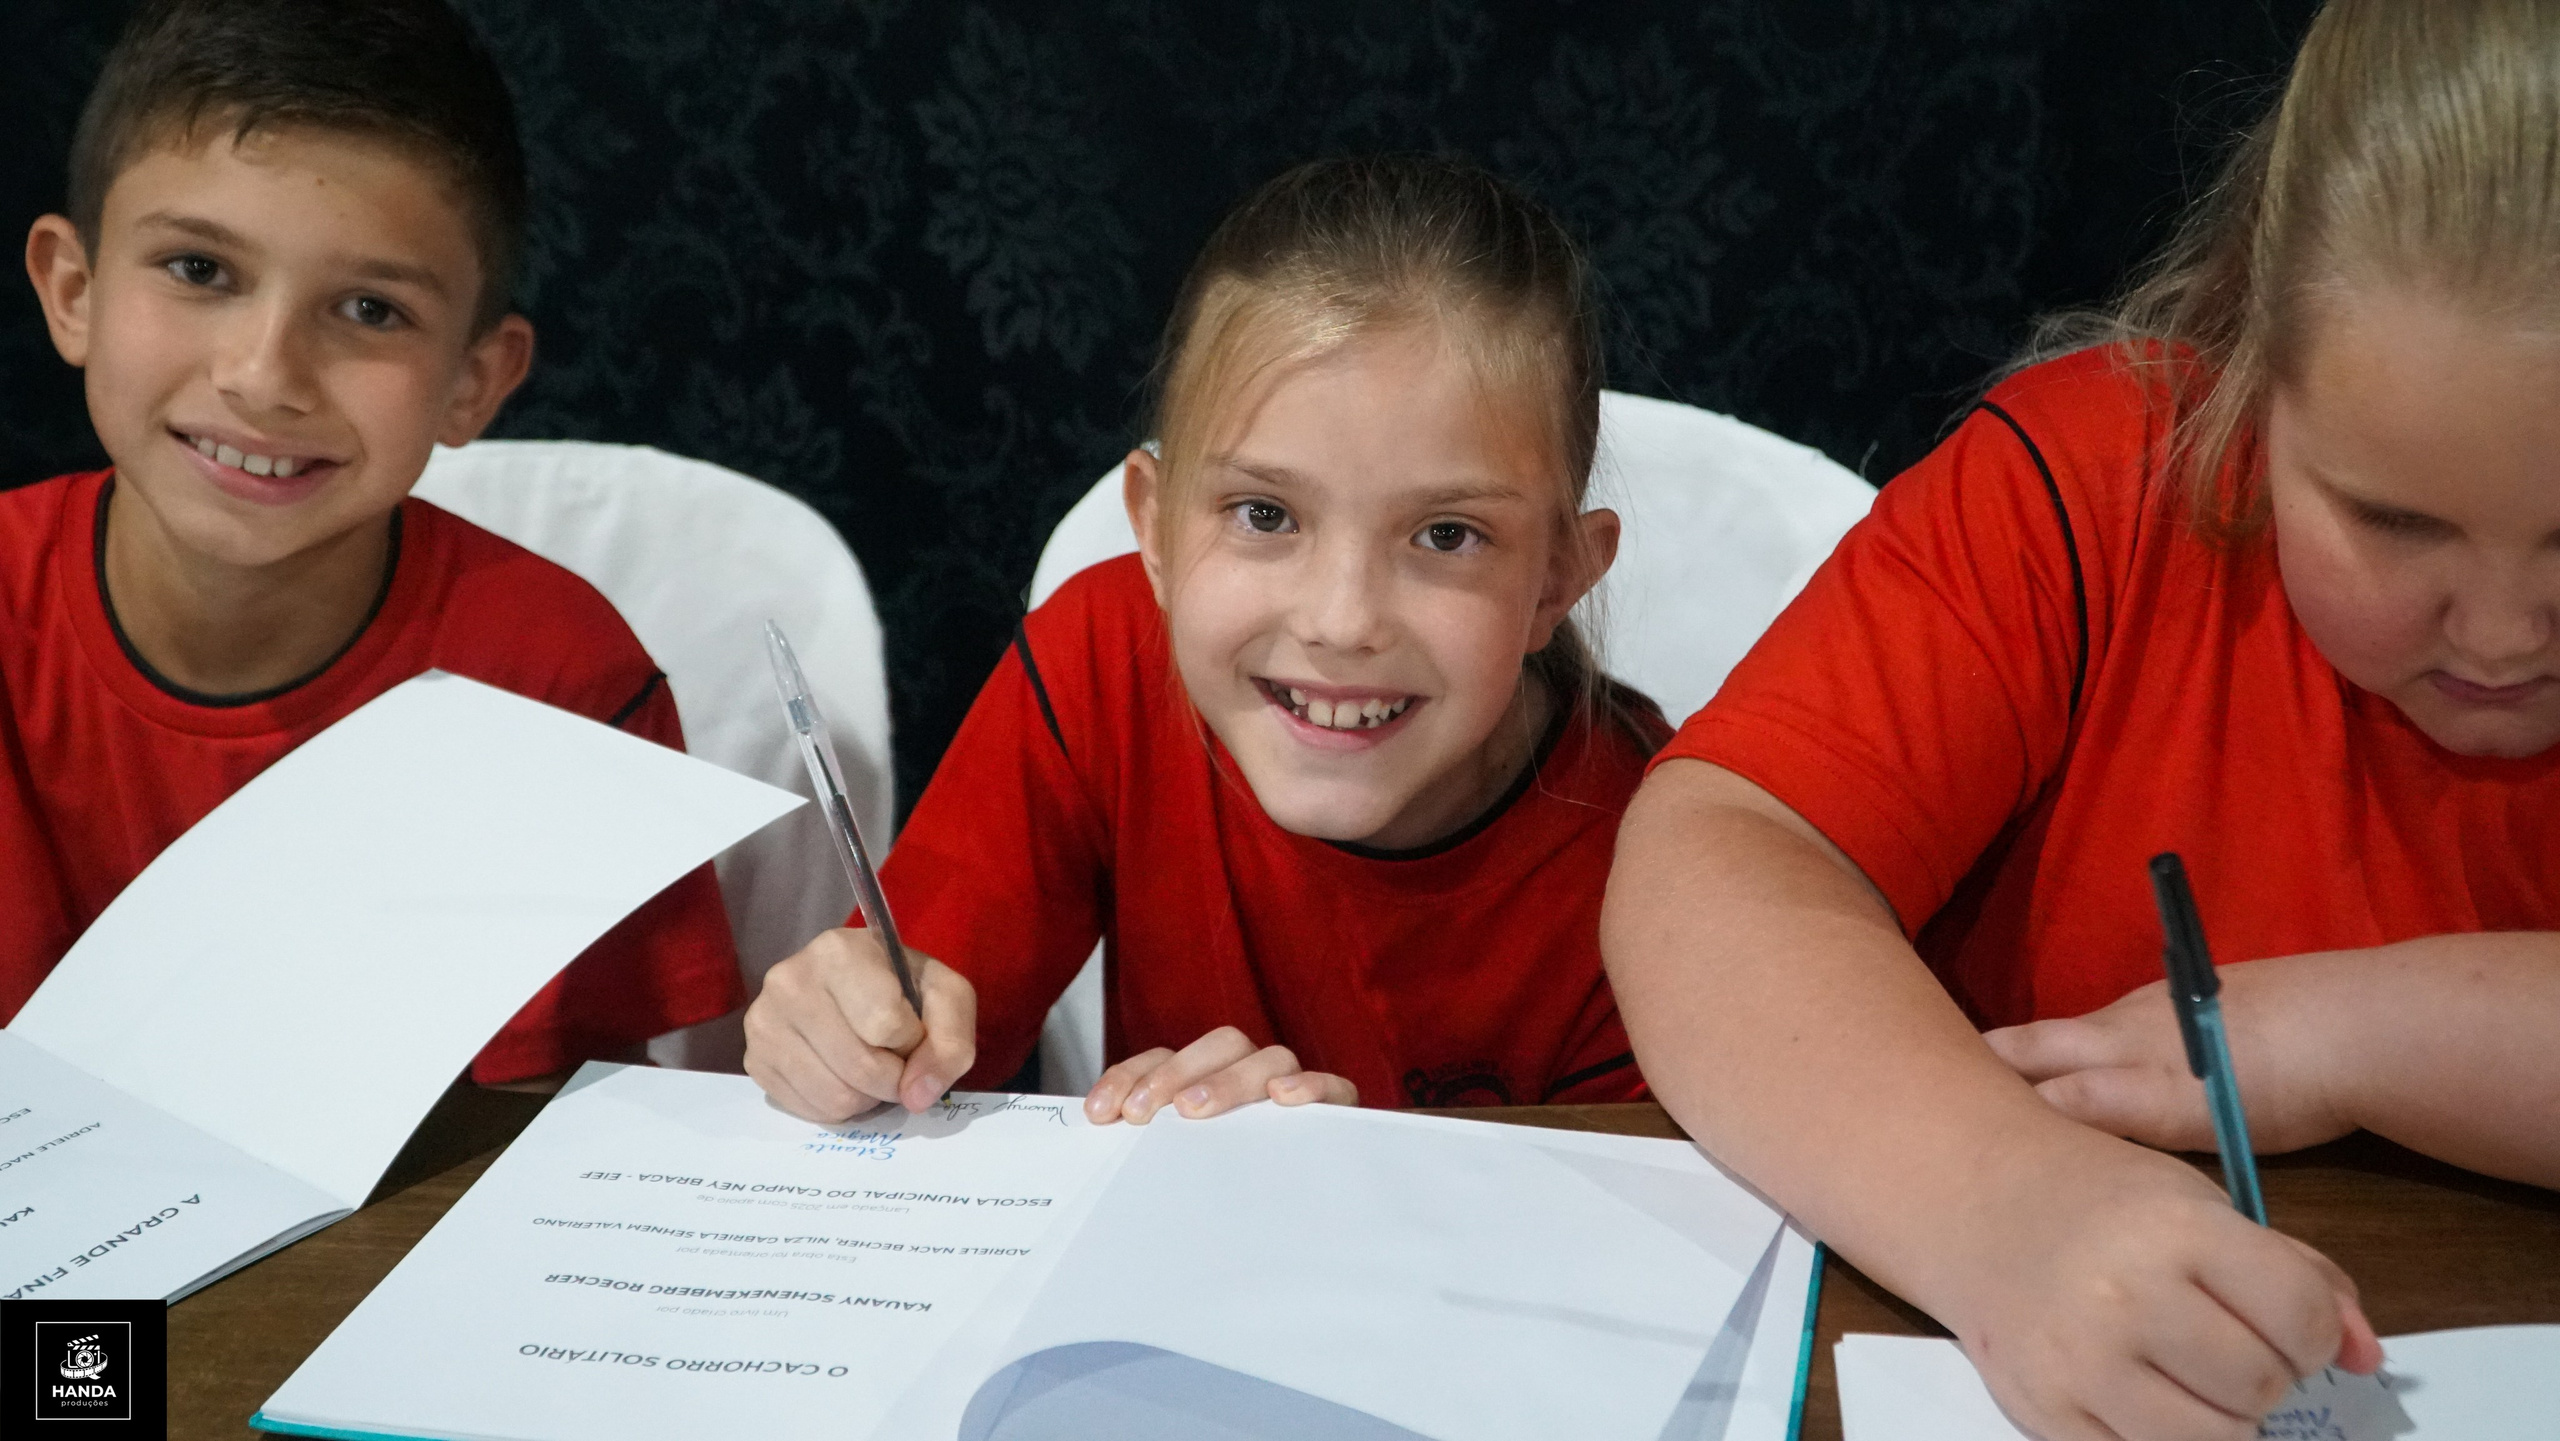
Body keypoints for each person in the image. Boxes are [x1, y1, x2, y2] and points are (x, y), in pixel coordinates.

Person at [1605, 1, 2560, 1437]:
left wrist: (2339, 1033)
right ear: (2250, 359)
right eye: (2393, 520)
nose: (2498, 629)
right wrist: (2003, 1209)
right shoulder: (2093, 489)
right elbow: (1719, 851)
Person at [746, 155, 1662, 1127]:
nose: (1340, 621)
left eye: (1445, 534)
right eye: (1265, 514)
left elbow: (1641, 1253)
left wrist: (1367, 1183)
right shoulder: (1099, 662)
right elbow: (915, 1031)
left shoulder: (1655, 858)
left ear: (1558, 576)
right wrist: (845, 1038)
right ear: (1156, 529)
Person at [2, 0, 745, 1082]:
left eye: (368, 308)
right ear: (73, 293)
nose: (263, 375)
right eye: (200, 271)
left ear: (474, 382)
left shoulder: (558, 683)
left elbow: (551, 1131)